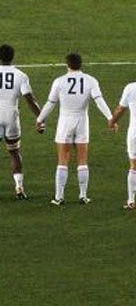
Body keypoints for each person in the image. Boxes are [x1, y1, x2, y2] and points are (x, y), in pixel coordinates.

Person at [37, 53, 114, 206]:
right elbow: (99, 101)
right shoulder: (91, 80)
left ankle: (59, 197)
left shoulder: (59, 81)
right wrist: (110, 118)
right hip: (82, 122)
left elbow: (50, 103)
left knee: (62, 160)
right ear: (81, 65)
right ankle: (83, 196)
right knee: (82, 160)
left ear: (67, 65)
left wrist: (40, 119)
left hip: (65, 123)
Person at [0, 44, 42, 200]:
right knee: (14, 152)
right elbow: (29, 99)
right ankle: (19, 188)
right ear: (12, 57)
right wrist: (40, 117)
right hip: (12, 115)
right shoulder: (21, 75)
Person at [108, 80, 136, 209]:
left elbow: (120, 109)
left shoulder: (131, 87)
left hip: (135, 133)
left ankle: (131, 200)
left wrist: (112, 121)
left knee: (134, 166)